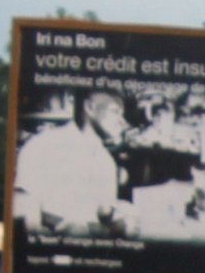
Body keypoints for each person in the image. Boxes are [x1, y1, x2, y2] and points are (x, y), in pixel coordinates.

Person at [12, 92, 132, 236]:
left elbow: (103, 216)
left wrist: (119, 219)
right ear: (90, 107)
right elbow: (22, 210)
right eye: (115, 112)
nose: (122, 121)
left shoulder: (107, 162)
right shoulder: (44, 144)